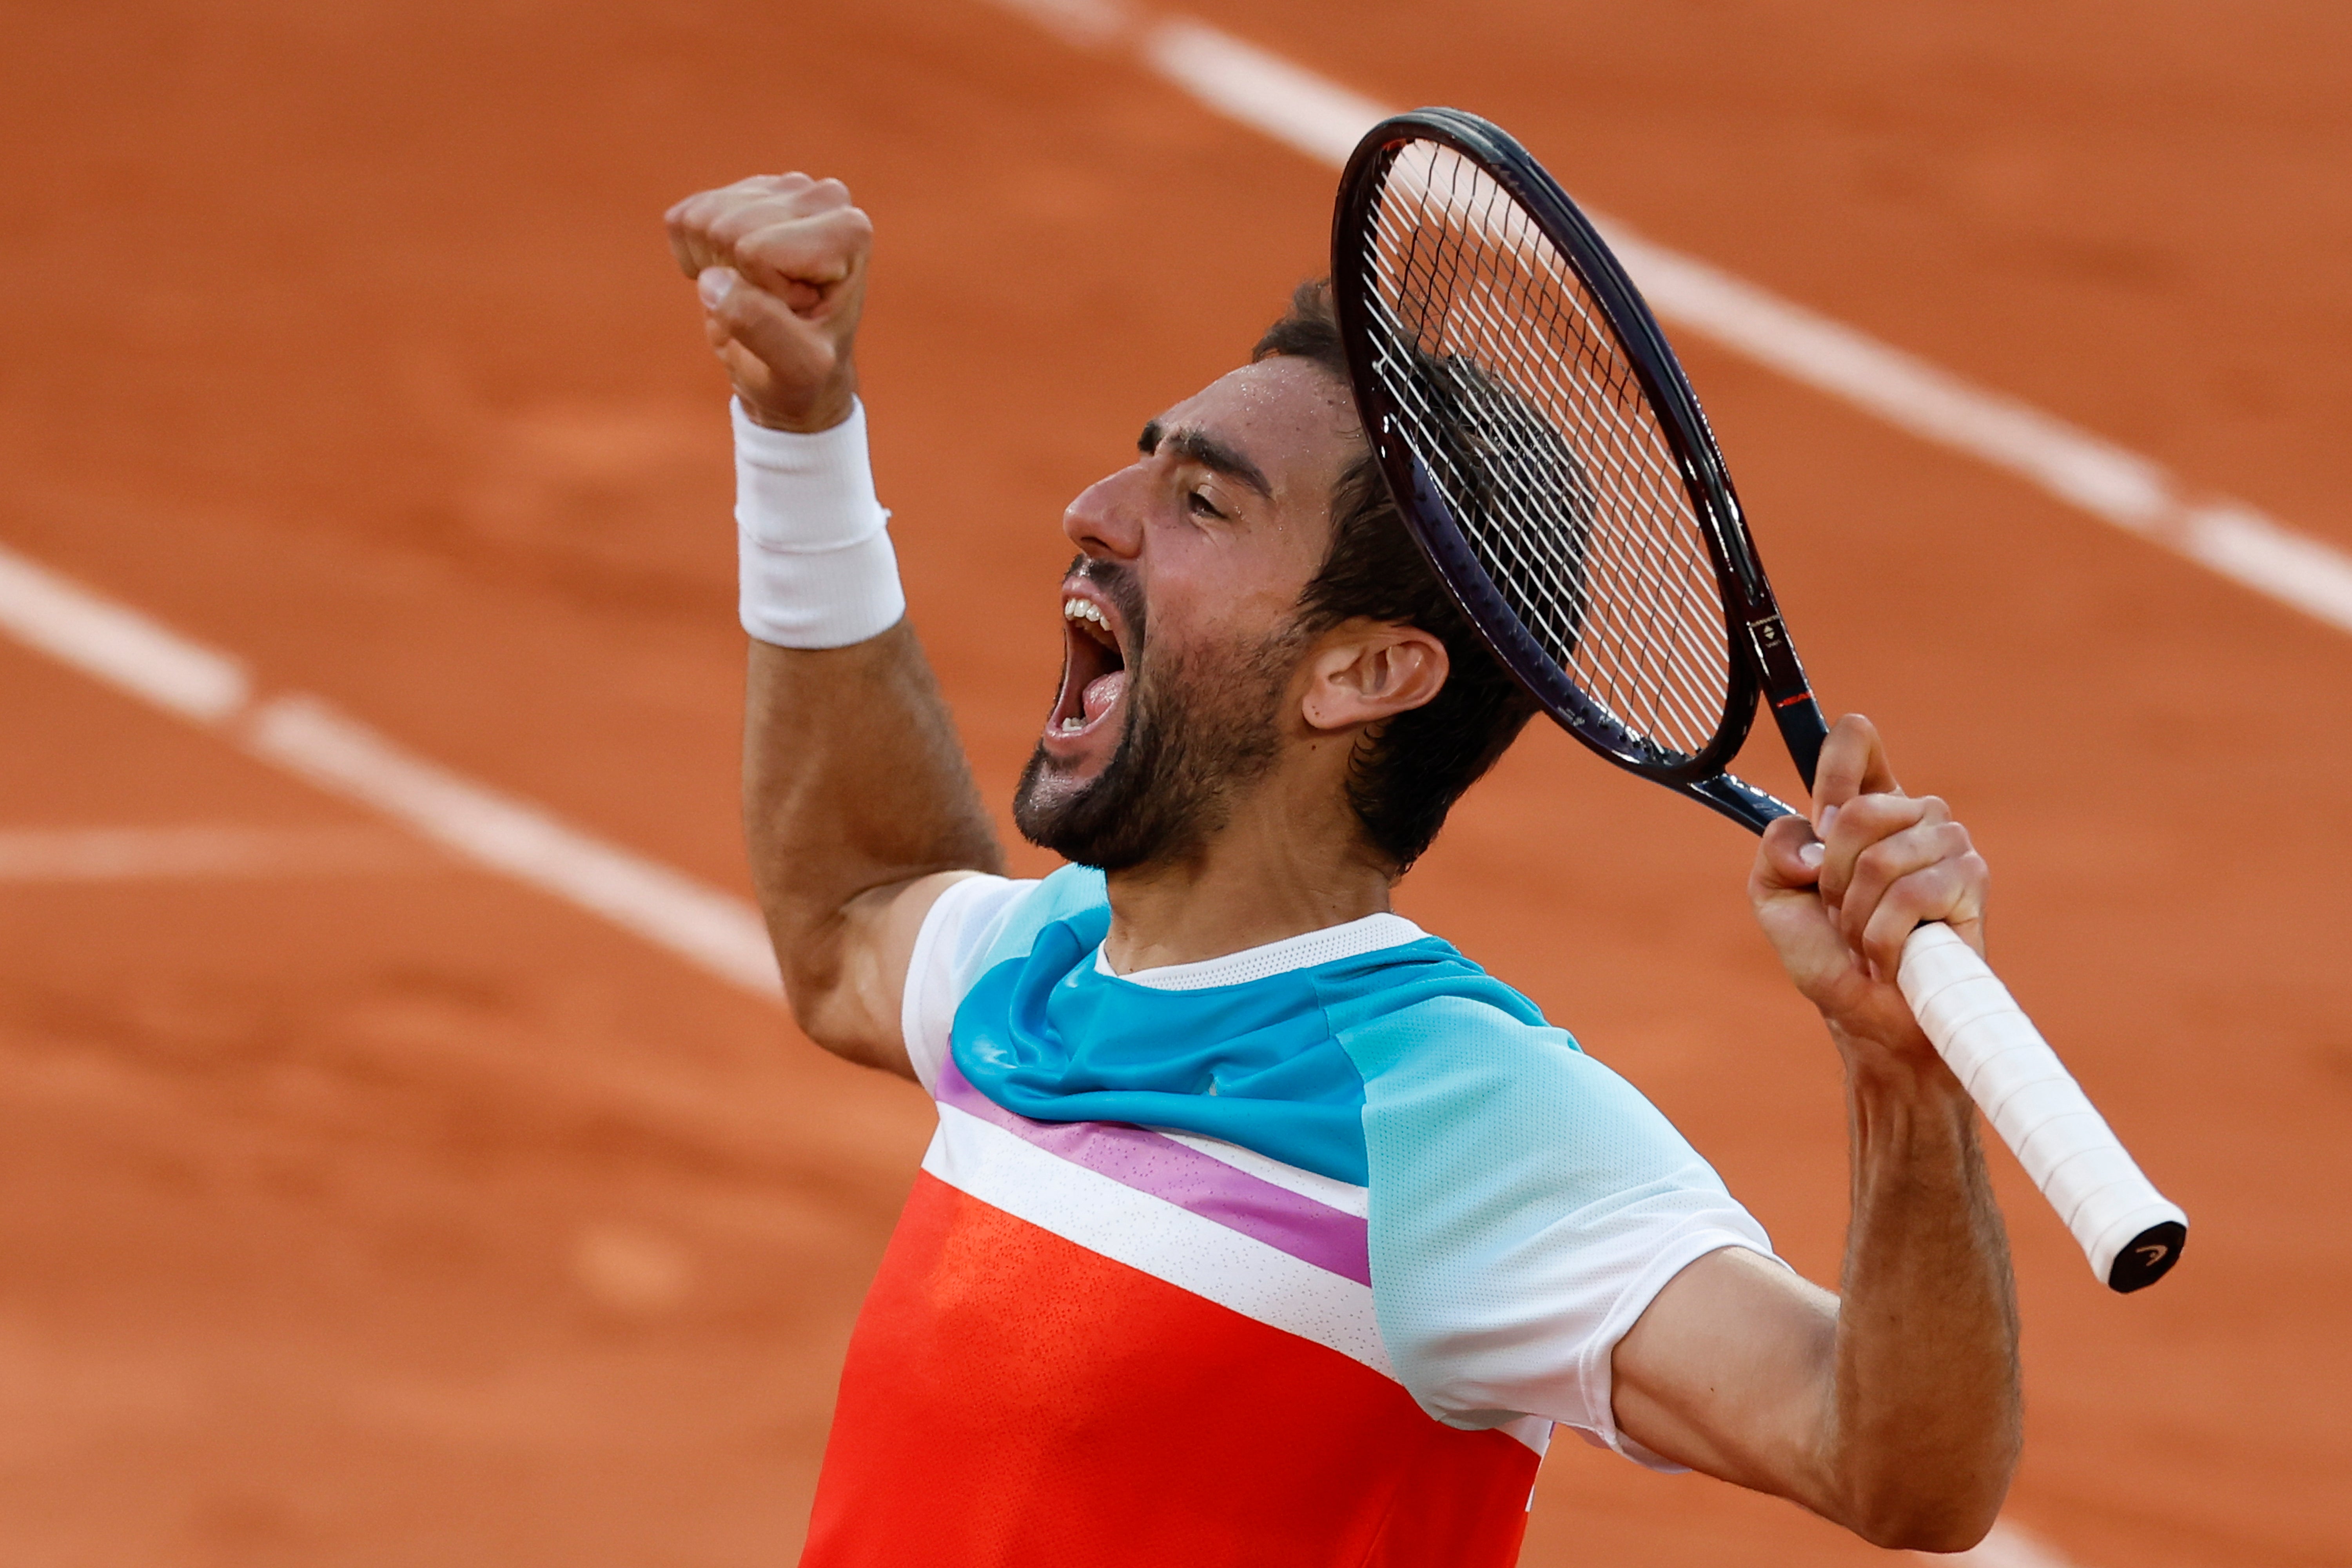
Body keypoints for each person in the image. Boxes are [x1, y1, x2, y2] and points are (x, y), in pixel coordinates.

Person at [664, 171, 2020, 1566]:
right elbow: (852, 919)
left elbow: (1891, 1465)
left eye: (1202, 502)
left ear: (1365, 672)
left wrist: (1903, 1083)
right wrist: (800, 435)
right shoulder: (1046, 963)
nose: (1094, 510)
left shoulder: (1465, 1126)